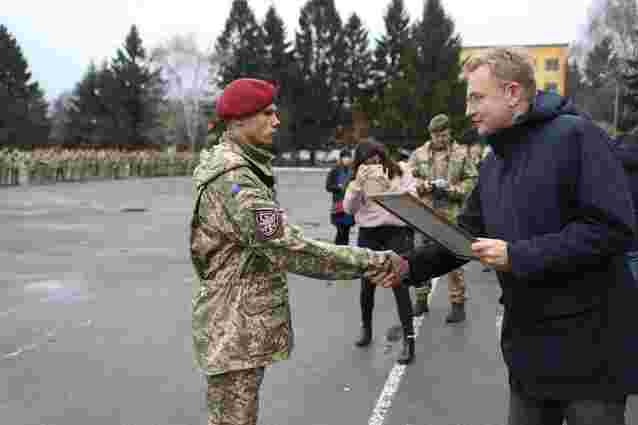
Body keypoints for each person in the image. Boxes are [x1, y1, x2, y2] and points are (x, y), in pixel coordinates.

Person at [388, 48, 638, 425]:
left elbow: (611, 228)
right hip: (528, 352)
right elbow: (465, 236)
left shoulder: (577, 136)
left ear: (512, 93)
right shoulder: (493, 162)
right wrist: (407, 265)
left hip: (591, 353)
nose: (468, 109)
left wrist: (517, 256)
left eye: (477, 97)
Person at [190, 78, 403, 425]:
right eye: (267, 113)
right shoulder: (236, 179)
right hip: (234, 326)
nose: (277, 121)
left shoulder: (237, 166)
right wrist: (371, 261)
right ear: (241, 119)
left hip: (234, 320)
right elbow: (287, 246)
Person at [343, 140, 417, 365]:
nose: (373, 163)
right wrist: (358, 184)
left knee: (399, 286)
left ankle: (409, 340)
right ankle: (366, 328)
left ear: (382, 156)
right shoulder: (359, 179)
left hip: (395, 232)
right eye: (366, 161)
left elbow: (412, 198)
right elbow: (348, 209)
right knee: (367, 285)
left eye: (376, 158)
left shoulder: (400, 171)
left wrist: (388, 186)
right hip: (369, 234)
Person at [407, 113, 478, 323]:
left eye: (445, 135)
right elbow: (408, 178)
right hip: (424, 214)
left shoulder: (460, 154)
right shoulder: (418, 154)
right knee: (420, 258)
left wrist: (453, 190)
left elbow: (472, 179)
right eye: (438, 136)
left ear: (449, 133)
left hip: (451, 215)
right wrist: (422, 186)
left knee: (454, 260)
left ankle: (458, 304)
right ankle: (421, 300)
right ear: (431, 135)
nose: (442, 139)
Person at [325, 149, 355, 245]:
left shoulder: (353, 171)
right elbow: (328, 187)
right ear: (341, 158)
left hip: (349, 206)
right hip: (338, 205)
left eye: (349, 157)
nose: (347, 159)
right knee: (340, 230)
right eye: (345, 157)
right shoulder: (334, 170)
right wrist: (338, 187)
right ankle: (338, 249)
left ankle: (345, 250)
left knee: (346, 231)